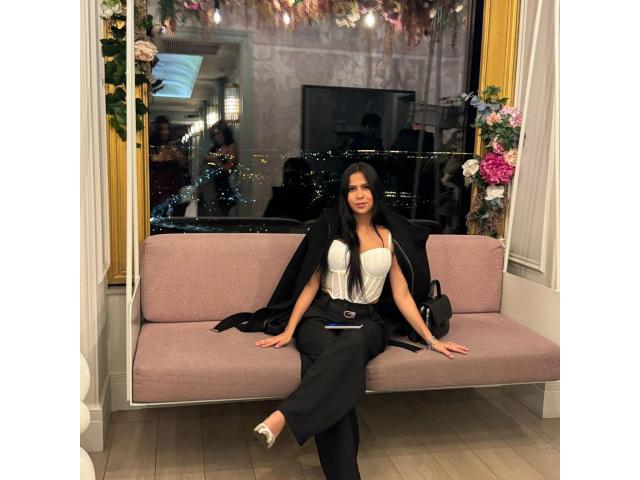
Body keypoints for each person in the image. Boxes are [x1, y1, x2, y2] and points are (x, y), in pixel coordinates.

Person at [215, 162, 469, 479]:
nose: (359, 195)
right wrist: (290, 329)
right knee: (339, 378)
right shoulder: (330, 228)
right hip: (322, 316)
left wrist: (432, 340)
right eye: (352, 189)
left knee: (349, 350)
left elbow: (402, 295)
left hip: (366, 321)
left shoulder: (389, 237)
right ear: (344, 194)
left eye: (365, 188)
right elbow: (310, 283)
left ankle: (284, 416)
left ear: (376, 192)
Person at [149, 116, 189, 217]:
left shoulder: (173, 148)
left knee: (174, 219)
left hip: (172, 190)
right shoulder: (151, 148)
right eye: (162, 129)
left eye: (167, 129)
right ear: (157, 131)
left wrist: (174, 151)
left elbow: (184, 164)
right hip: (154, 191)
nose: (165, 132)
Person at [201, 120, 239, 216]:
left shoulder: (231, 147)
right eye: (214, 135)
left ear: (225, 133)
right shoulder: (213, 149)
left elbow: (229, 169)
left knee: (222, 217)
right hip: (211, 188)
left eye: (219, 133)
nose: (216, 137)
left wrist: (215, 161)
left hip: (225, 187)